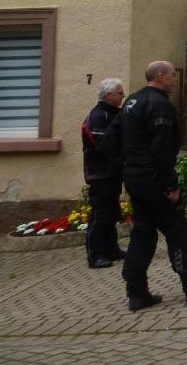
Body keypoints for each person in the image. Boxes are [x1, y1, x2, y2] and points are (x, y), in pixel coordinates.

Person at [119, 60, 187, 311]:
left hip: (134, 176)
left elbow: (114, 138)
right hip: (153, 179)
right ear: (160, 76)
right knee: (180, 232)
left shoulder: (131, 102)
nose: (175, 80)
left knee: (143, 232)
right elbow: (162, 150)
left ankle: (137, 293)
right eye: (172, 75)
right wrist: (170, 185)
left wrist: (125, 168)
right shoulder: (160, 106)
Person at [82, 78, 125, 268]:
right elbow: (104, 146)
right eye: (119, 92)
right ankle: (95, 255)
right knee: (100, 213)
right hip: (99, 174)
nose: (122, 95)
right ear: (108, 95)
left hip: (112, 172)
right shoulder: (98, 116)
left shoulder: (115, 113)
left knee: (112, 211)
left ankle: (111, 249)